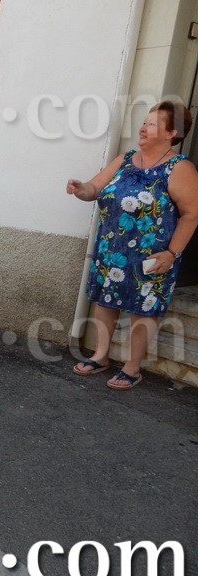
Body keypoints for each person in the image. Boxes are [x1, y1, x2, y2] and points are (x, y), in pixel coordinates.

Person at [67, 100, 198, 389]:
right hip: (112, 249)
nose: (143, 127)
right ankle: (100, 356)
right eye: (144, 122)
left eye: (152, 124)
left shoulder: (179, 168)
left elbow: (192, 214)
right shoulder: (125, 159)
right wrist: (80, 189)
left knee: (143, 309)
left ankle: (132, 367)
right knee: (106, 302)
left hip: (154, 253)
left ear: (171, 133)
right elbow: (94, 188)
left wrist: (172, 253)